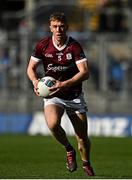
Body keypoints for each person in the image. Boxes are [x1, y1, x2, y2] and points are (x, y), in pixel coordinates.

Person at [27, 12, 95, 176]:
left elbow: (85, 73)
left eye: (62, 26)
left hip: (74, 96)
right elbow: (30, 69)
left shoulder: (74, 46)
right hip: (53, 95)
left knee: (82, 139)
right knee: (52, 124)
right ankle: (68, 149)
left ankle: (86, 162)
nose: (58, 30)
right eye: (55, 26)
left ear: (67, 27)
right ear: (50, 27)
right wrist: (36, 82)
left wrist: (63, 84)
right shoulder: (43, 45)